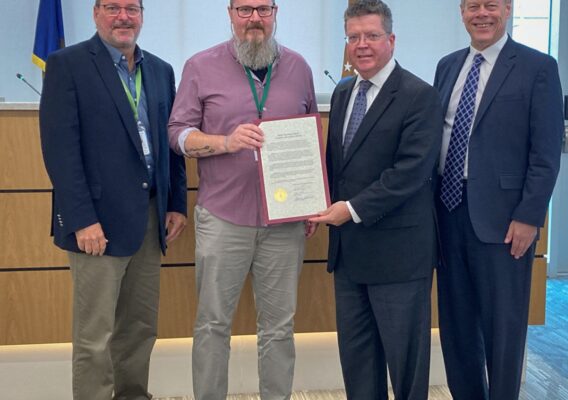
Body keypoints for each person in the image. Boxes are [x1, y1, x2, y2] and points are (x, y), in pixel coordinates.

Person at [167, 1, 318, 398]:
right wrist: (225, 141)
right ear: (230, 13)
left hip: (284, 224)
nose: (254, 18)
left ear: (275, 13)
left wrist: (313, 199)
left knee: (279, 328)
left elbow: (311, 140)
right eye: (245, 9)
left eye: (263, 9)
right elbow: (178, 134)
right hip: (223, 218)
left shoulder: (300, 68)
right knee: (213, 324)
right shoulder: (200, 67)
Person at [39, 1, 188, 399]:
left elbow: (169, 142)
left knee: (140, 328)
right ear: (95, 13)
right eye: (112, 7)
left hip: (151, 218)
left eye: (132, 8)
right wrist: (81, 219)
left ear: (141, 15)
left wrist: (176, 203)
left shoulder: (160, 70)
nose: (123, 16)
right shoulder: (66, 64)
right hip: (96, 223)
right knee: (95, 335)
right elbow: (60, 150)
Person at [310, 1, 442, 398]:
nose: (361, 45)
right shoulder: (345, 90)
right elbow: (339, 167)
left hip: (399, 256)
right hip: (350, 256)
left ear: (391, 39)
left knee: (406, 366)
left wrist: (349, 210)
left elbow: (411, 172)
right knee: (357, 361)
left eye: (371, 36)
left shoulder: (419, 95)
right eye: (353, 37)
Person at [433, 0, 564, 399]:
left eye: (491, 4)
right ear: (461, 11)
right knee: (456, 328)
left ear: (507, 9)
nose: (482, 13)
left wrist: (529, 216)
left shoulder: (537, 67)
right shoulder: (447, 65)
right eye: (473, 5)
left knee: (502, 332)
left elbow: (546, 152)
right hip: (447, 211)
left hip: (505, 221)